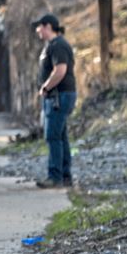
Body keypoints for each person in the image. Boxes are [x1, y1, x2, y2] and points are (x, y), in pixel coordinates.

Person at [32, 13, 77, 188]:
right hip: (58, 96)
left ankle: (55, 176)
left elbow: (60, 70)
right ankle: (65, 175)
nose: (37, 31)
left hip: (59, 96)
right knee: (60, 136)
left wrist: (46, 87)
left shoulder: (58, 45)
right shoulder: (53, 45)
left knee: (52, 136)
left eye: (39, 27)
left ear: (48, 27)